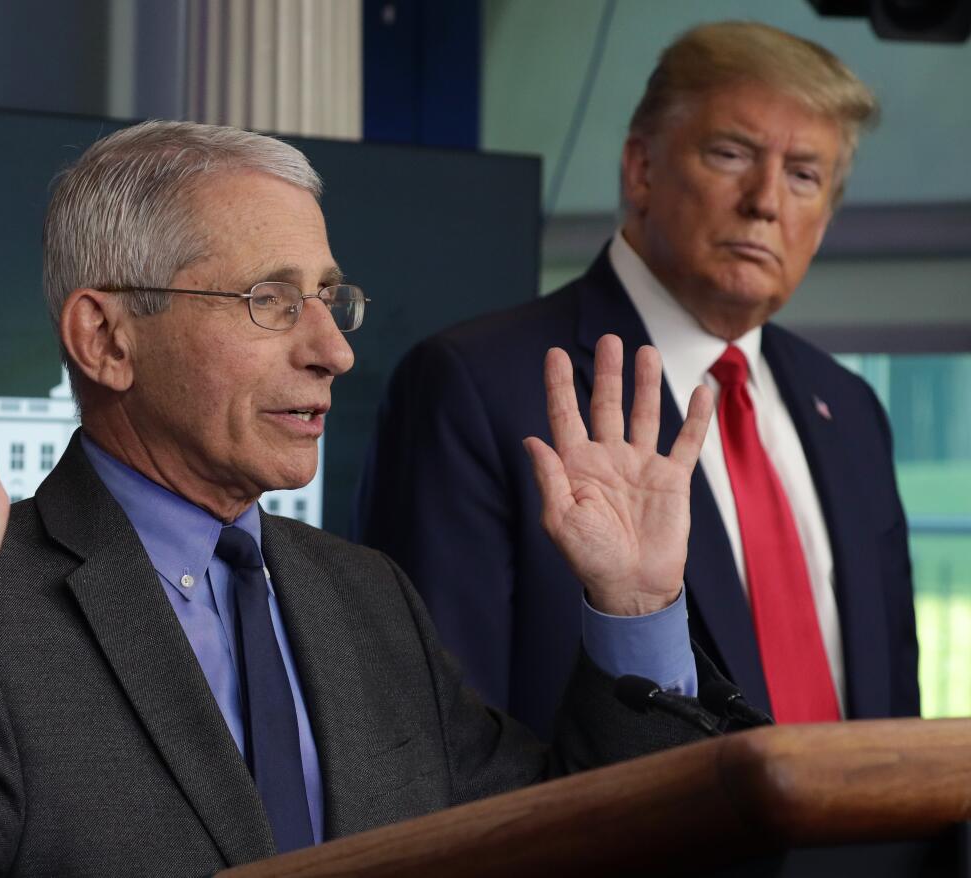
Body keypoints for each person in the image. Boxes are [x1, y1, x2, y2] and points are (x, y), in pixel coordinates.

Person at [0, 121, 723, 875]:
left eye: (330, 297)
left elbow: (566, 844)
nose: (334, 349)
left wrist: (636, 608)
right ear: (106, 339)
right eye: (271, 299)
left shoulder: (368, 598)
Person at [355, 21, 919, 742]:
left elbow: (897, 699)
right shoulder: (474, 385)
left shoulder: (850, 406)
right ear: (640, 169)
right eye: (730, 154)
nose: (765, 200)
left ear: (827, 215)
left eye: (804, 174)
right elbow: (437, 736)